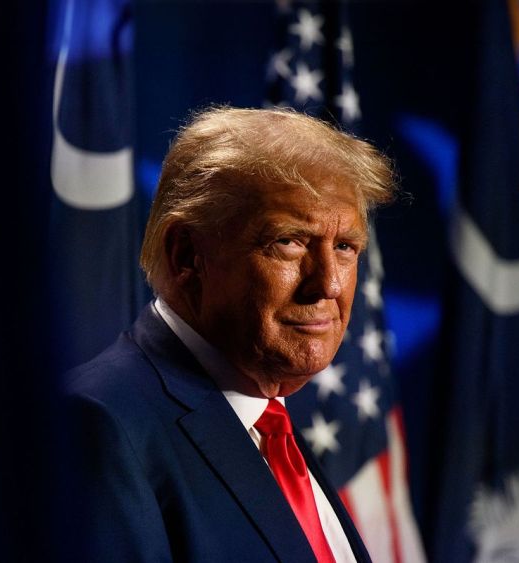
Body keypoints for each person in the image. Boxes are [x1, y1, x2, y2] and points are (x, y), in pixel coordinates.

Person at [64, 106, 396, 562]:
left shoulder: (269, 422)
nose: (328, 284)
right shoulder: (100, 425)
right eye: (289, 241)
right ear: (186, 256)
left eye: (344, 247)